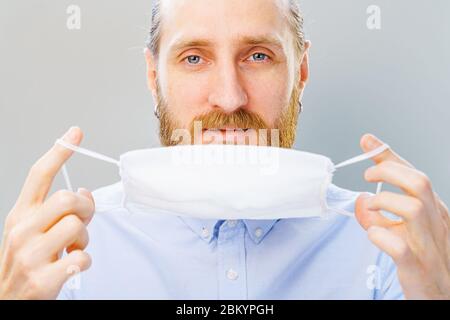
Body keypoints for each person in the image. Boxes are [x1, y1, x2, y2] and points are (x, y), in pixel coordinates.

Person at [0, 0, 448, 299]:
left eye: (258, 56)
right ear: (154, 77)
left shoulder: (395, 253)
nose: (230, 98)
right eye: (194, 58)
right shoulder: (66, 255)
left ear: (302, 72)